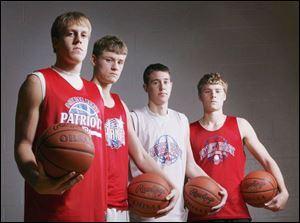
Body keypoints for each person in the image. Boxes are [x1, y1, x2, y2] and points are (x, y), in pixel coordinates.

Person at [14, 11, 107, 221]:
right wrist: (36, 179)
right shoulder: (38, 82)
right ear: (55, 42)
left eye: (84, 35)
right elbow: (23, 144)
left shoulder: (96, 91)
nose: (78, 40)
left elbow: (98, 154)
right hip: (53, 207)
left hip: (93, 208)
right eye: (70, 34)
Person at [90, 36, 179, 222]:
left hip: (120, 203)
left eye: (120, 62)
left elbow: (140, 155)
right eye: (109, 60)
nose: (115, 67)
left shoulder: (120, 105)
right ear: (93, 60)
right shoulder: (83, 98)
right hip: (90, 200)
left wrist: (172, 185)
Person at [129, 63, 228, 222]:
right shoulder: (134, 118)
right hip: (147, 210)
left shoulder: (181, 120)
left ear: (171, 85)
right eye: (156, 82)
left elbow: (190, 165)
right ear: (145, 87)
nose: (162, 87)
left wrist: (216, 186)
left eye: (166, 81)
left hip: (177, 212)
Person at [188, 72, 289, 221]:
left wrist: (284, 191)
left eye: (218, 91)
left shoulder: (240, 124)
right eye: (207, 91)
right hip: (201, 213)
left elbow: (267, 160)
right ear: (200, 96)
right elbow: (184, 168)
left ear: (225, 96)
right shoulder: (188, 130)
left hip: (237, 212)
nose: (213, 95)